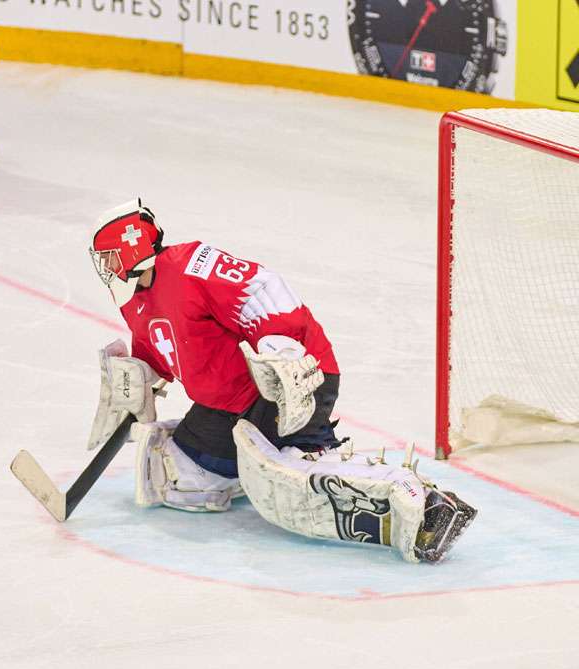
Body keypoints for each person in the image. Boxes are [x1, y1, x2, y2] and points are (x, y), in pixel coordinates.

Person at [86, 199, 477, 563]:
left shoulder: (191, 265)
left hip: (290, 382)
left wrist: (282, 347)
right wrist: (140, 375)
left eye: (108, 258)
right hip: (229, 406)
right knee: (179, 475)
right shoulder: (134, 300)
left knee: (292, 475)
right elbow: (163, 350)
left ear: (129, 250)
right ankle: (249, 465)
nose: (105, 269)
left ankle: (426, 506)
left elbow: (261, 285)